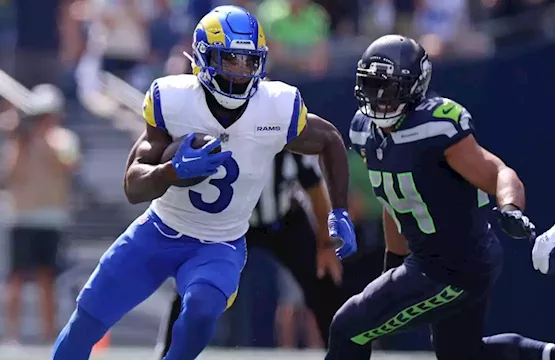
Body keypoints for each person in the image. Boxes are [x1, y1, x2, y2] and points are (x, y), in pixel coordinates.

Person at [51, 6, 356, 360]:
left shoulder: (276, 106)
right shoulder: (174, 101)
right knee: (87, 319)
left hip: (219, 244)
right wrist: (171, 173)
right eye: (230, 60)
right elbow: (133, 186)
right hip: (158, 231)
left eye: (248, 61)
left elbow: (330, 139)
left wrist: (340, 211)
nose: (240, 73)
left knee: (200, 309)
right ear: (203, 57)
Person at [325, 34, 555, 360]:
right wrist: (392, 266)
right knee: (462, 353)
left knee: (347, 326)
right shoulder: (363, 130)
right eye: (371, 85)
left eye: (388, 88)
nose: (378, 100)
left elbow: (499, 173)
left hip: (454, 266)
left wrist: (510, 206)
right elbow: (394, 204)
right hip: (443, 260)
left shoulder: (436, 125)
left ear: (415, 87)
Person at [155, 151, 344, 357]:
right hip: (230, 225)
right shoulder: (221, 135)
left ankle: (343, 352)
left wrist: (326, 245)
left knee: (323, 280)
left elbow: (314, 186)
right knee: (194, 283)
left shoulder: (285, 135)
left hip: (284, 220)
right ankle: (169, 351)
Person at [2, 85, 80, 344]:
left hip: (52, 218)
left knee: (47, 278)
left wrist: (44, 140)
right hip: (21, 216)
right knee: (15, 278)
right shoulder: (20, 141)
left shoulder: (65, 139)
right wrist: (22, 144)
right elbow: (11, 176)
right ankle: (12, 336)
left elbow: (69, 165)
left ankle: (48, 335)